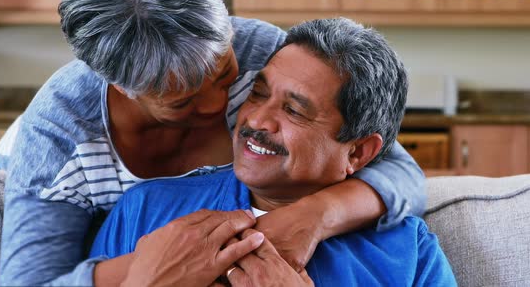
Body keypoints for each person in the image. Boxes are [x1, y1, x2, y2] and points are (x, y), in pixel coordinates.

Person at [0, 0, 425, 286]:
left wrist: (314, 215)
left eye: (227, 76)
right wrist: (153, 270)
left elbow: (392, 165)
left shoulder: (265, 56)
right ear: (121, 86)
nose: (224, 106)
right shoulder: (58, 144)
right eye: (182, 101)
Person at [90, 18, 456, 286]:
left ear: (357, 153)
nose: (256, 119)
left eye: (295, 110)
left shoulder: (406, 251)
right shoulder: (144, 210)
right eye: (258, 94)